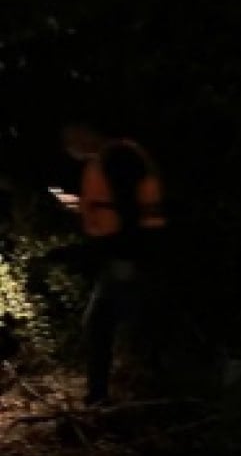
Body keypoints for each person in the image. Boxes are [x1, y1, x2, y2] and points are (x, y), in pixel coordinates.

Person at [53, 122, 167, 406]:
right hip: (125, 253)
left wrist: (124, 257)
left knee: (103, 324)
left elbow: (130, 210)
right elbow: (114, 204)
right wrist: (80, 205)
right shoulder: (112, 157)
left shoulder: (119, 157)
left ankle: (102, 395)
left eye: (72, 139)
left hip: (126, 253)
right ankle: (139, 388)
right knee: (127, 323)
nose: (70, 148)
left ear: (87, 134)